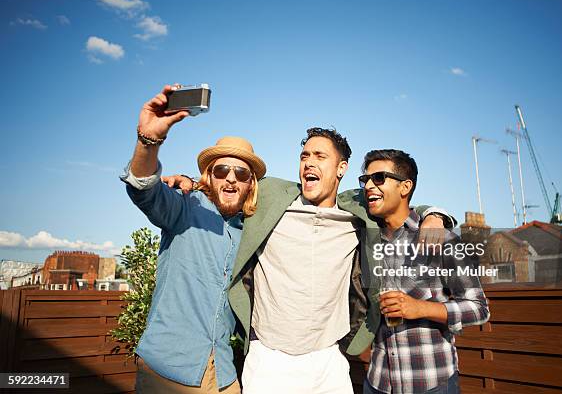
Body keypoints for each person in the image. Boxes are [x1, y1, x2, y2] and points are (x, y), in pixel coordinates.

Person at [167, 128, 456, 393]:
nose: (308, 163)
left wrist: (435, 213)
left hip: (327, 361)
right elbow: (231, 185)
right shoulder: (271, 196)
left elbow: (396, 201)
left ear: (341, 168)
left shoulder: (356, 209)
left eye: (320, 156)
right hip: (268, 359)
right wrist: (194, 183)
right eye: (304, 156)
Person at [120, 85, 266, 393]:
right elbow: (143, 188)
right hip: (167, 371)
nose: (230, 178)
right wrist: (149, 140)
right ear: (209, 176)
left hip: (224, 373)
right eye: (223, 169)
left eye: (241, 174)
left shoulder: (252, 232)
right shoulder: (184, 206)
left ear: (251, 184)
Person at [359, 149, 490, 394]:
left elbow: (479, 308)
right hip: (378, 382)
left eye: (378, 178)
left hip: (431, 383)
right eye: (364, 180)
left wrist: (420, 308)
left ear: (405, 187)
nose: (368, 186)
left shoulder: (443, 239)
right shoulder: (367, 239)